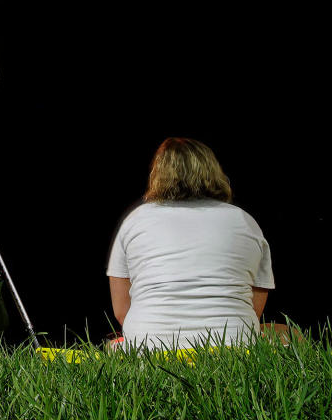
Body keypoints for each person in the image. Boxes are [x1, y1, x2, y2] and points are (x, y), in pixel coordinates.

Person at [106, 137, 274, 349]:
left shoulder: (135, 221)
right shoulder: (245, 221)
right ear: (214, 170)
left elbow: (122, 311)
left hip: (148, 348)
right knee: (288, 333)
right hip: (233, 347)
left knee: (113, 345)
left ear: (157, 173)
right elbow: (253, 309)